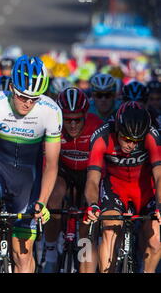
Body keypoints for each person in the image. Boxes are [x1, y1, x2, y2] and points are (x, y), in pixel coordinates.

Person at [0, 56, 61, 273]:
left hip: (28, 178)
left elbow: (51, 165)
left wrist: (42, 202)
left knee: (23, 257)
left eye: (34, 99)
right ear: (12, 87)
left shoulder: (51, 111)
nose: (28, 103)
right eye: (23, 96)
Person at [84, 101, 161, 273]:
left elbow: (159, 175)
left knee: (155, 240)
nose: (131, 145)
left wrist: (160, 206)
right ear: (118, 129)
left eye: (136, 141)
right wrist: (93, 204)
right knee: (110, 231)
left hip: (145, 189)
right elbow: (93, 179)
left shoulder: (152, 136)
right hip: (115, 187)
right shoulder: (102, 136)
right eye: (126, 139)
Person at [43, 87, 103, 273]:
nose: (73, 125)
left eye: (77, 119)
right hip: (63, 171)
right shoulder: (52, 126)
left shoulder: (97, 126)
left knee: (87, 218)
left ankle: (83, 260)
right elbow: (47, 166)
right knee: (53, 201)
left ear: (86, 115)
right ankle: (51, 254)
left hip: (88, 173)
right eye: (67, 119)